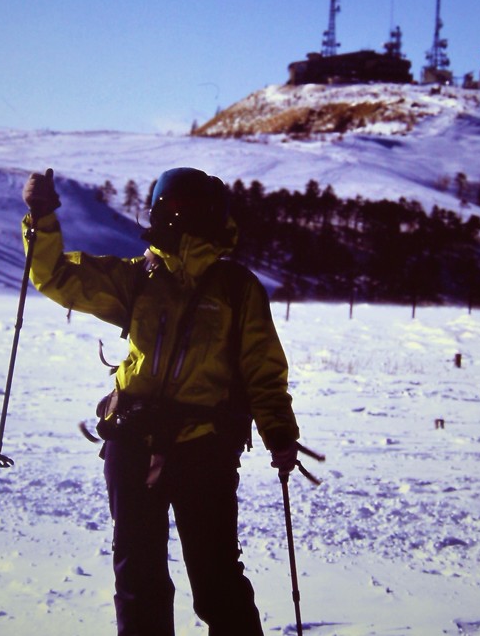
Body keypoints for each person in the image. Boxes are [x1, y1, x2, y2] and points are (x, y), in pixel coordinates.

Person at [21, 166, 301, 636]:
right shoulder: (138, 277)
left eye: (190, 209)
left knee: (217, 582)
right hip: (131, 444)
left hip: (205, 450)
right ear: (156, 210)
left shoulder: (237, 288)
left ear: (213, 215)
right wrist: (42, 216)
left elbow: (263, 370)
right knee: (139, 581)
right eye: (170, 208)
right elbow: (54, 276)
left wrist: (280, 432)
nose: (179, 218)